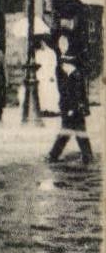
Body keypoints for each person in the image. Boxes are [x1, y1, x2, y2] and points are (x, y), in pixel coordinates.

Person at [47, 35, 94, 165]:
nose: (62, 46)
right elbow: (65, 90)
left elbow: (76, 92)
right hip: (71, 106)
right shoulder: (64, 72)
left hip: (73, 106)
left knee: (70, 131)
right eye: (60, 44)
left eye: (64, 43)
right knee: (76, 130)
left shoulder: (73, 74)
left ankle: (54, 155)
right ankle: (86, 155)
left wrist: (72, 108)